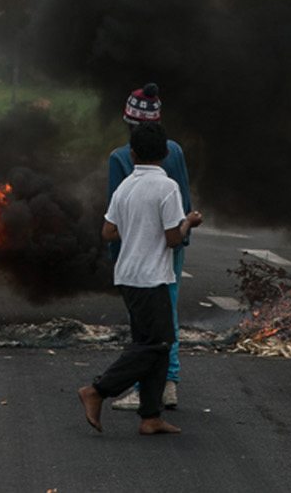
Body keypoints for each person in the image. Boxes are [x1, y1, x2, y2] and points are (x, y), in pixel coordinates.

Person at [79, 121, 203, 436]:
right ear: (165, 153)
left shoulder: (125, 187)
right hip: (151, 277)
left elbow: (107, 231)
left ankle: (150, 416)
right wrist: (189, 222)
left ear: (132, 154)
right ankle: (98, 390)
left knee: (153, 343)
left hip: (127, 274)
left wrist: (135, 229)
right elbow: (173, 238)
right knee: (156, 343)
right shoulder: (167, 187)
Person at [108, 83, 192, 413]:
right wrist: (182, 238)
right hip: (172, 246)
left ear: (129, 124)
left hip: (137, 253)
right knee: (167, 317)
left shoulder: (120, 157)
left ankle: (144, 389)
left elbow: (112, 221)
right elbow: (183, 199)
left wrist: (115, 258)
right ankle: (168, 384)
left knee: (142, 326)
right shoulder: (176, 152)